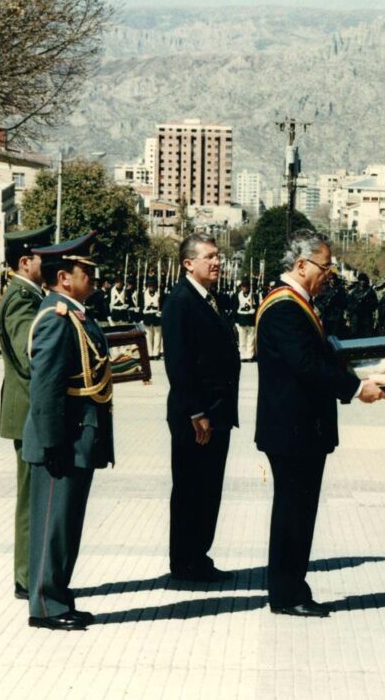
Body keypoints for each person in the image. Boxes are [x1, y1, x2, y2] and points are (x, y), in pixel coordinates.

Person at [255, 229, 385, 617]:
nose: (329, 274)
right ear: (300, 265)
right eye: (324, 266)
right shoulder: (283, 307)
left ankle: (292, 586)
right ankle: (286, 593)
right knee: (293, 514)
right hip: (292, 430)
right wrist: (357, 387)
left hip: (301, 429)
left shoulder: (300, 304)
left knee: (299, 511)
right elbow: (307, 366)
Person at [22, 231, 113, 631]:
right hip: (63, 438)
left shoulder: (74, 312)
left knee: (67, 525)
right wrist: (53, 441)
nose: (93, 279)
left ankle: (59, 595)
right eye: (85, 272)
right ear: (64, 278)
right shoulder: (56, 317)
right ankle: (45, 606)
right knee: (53, 526)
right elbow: (45, 387)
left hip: (78, 434)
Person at [161, 233, 241, 582]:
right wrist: (197, 413)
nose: (216, 262)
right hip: (197, 415)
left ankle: (198, 555)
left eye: (218, 255)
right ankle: (184, 561)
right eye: (209, 256)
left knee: (208, 489)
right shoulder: (181, 301)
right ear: (188, 263)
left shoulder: (210, 299)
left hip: (217, 410)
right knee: (192, 489)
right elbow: (179, 364)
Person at [0, 224, 53, 601]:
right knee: (32, 499)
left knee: (35, 496)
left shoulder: (32, 295)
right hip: (29, 412)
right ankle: (26, 575)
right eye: (42, 258)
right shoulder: (20, 299)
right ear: (24, 262)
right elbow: (30, 354)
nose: (47, 264)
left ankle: (31, 571)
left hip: (30, 410)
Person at [234, 280, 257, 360]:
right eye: (243, 286)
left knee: (250, 338)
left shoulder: (253, 295)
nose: (244, 288)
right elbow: (235, 307)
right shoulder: (238, 295)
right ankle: (243, 355)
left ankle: (250, 355)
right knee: (242, 338)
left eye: (246, 286)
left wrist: (254, 310)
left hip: (250, 319)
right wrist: (236, 320)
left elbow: (256, 307)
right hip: (242, 318)